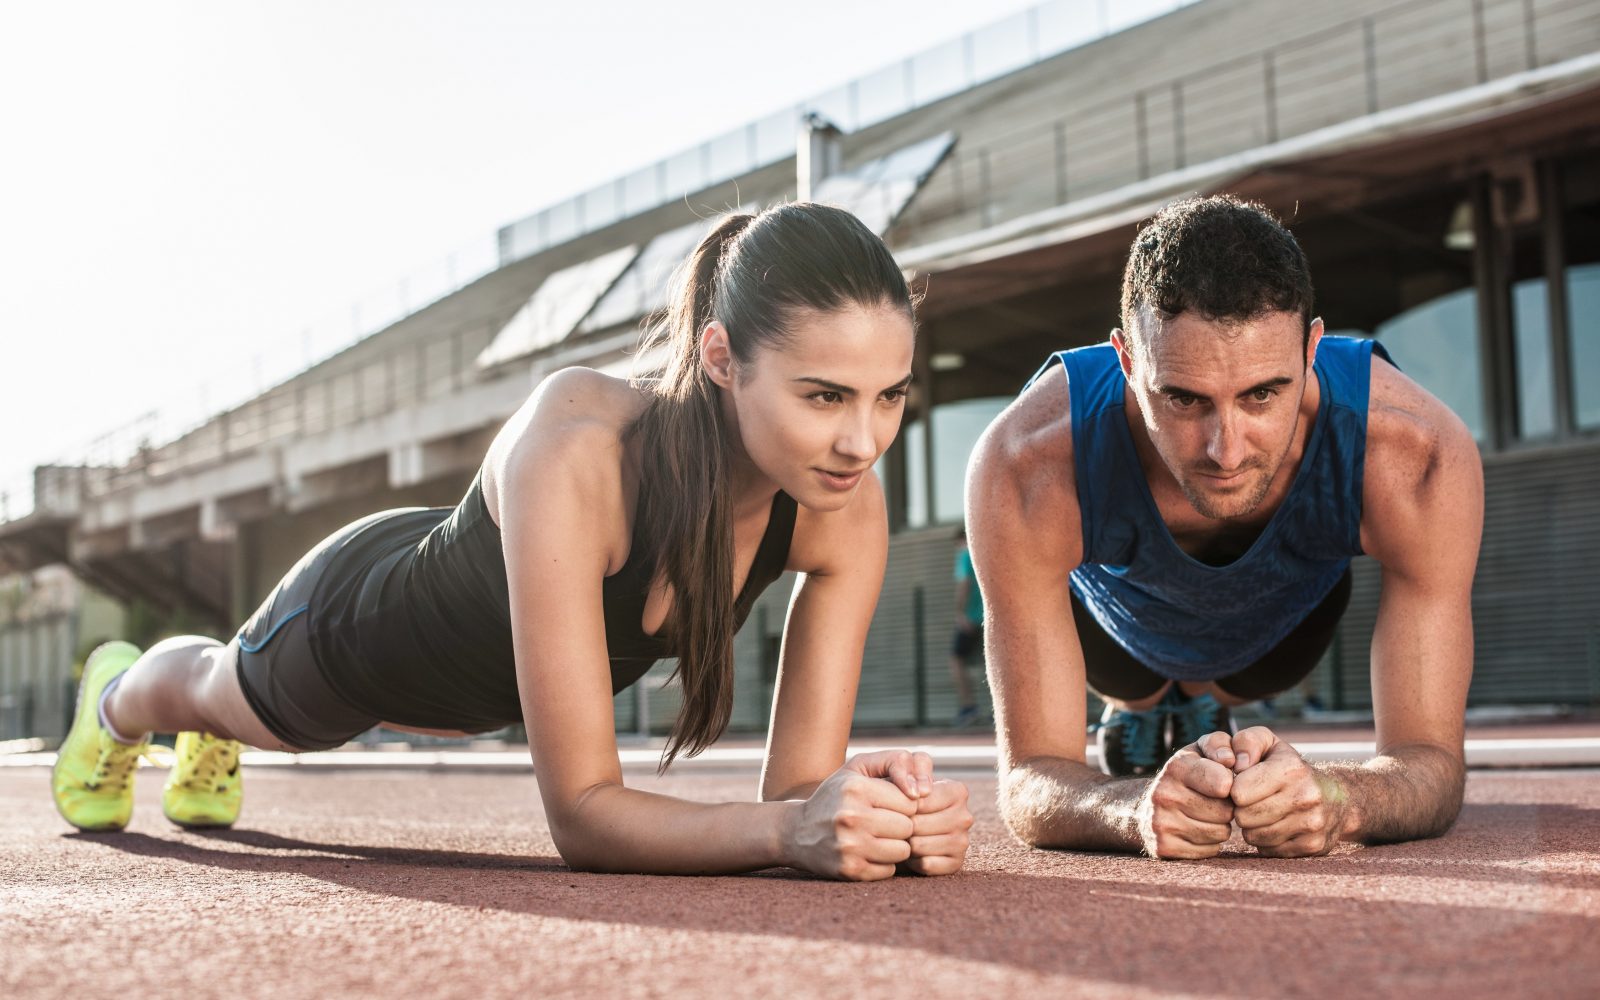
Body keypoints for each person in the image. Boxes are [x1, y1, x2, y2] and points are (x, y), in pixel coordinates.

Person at [52, 203, 974, 880]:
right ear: (722, 358)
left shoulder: (842, 509)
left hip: (470, 679)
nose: (864, 440)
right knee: (218, 691)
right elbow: (584, 818)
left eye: (889, 395)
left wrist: (875, 816)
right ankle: (118, 700)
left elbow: (799, 798)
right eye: (825, 395)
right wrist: (787, 834)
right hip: (357, 635)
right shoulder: (579, 449)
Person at [967, 195, 1482, 859]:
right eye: (1184, 399)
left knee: (1229, 691)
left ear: (1312, 350)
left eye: (1263, 394)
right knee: (1137, 694)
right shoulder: (1028, 460)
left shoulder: (1412, 451)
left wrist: (1337, 799)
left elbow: (1432, 763)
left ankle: (1200, 703)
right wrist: (1133, 809)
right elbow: (1030, 782)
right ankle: (1141, 709)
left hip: (1281, 630)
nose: (1225, 451)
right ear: (1125, 362)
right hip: (1115, 639)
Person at [948, 527, 984, 726]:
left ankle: (969, 706)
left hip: (971, 617)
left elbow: (964, 584)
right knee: (989, 662)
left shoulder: (965, 555)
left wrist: (960, 613)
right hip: (988, 617)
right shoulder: (984, 553)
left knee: (956, 660)